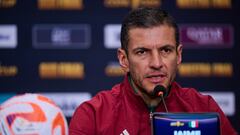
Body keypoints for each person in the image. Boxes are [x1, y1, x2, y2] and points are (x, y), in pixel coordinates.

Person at [69, 8, 237, 135]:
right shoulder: (93, 116)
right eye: (142, 52)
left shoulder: (204, 108)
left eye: (165, 50)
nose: (156, 63)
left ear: (178, 56)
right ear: (123, 60)